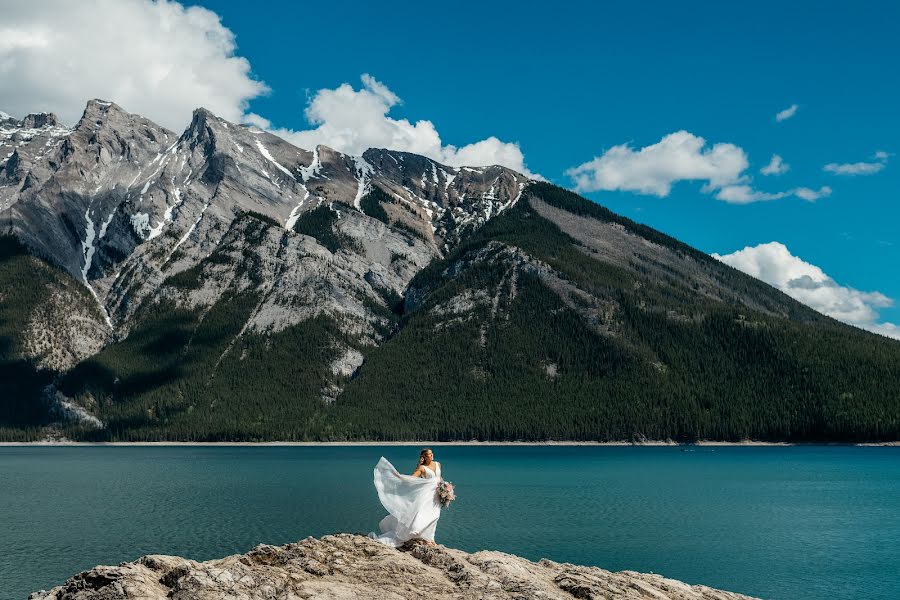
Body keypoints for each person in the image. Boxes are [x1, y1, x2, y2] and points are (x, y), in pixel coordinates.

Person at [369, 448, 442, 547]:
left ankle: (430, 538)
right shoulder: (422, 468)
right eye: (429, 454)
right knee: (426, 515)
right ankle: (421, 535)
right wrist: (400, 477)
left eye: (432, 453)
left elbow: (440, 478)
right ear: (424, 457)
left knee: (435, 516)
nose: (432, 455)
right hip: (426, 495)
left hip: (436, 494)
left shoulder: (438, 464)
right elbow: (412, 479)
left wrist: (445, 488)